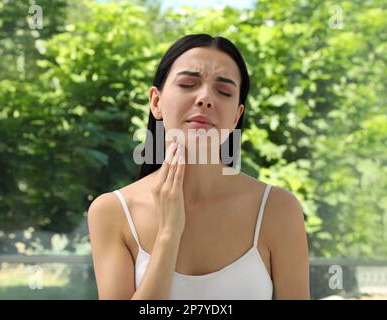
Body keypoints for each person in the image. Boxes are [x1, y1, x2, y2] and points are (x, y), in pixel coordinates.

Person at [88, 34, 309, 300]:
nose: (205, 98)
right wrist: (168, 235)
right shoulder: (112, 211)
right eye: (188, 84)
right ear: (156, 102)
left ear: (237, 115)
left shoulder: (278, 209)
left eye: (224, 91)